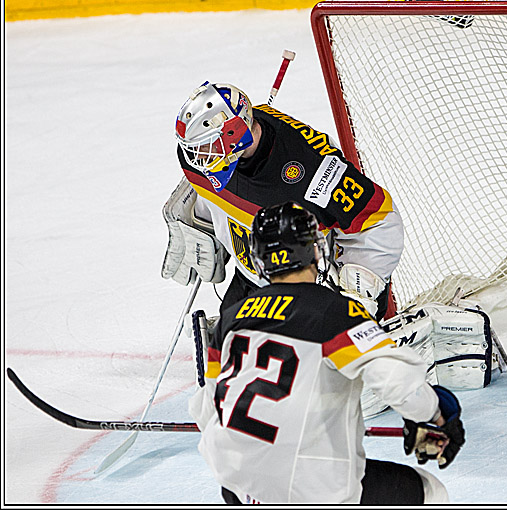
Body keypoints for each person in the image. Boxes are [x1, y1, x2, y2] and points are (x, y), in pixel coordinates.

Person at [188, 201, 465, 504]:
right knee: (431, 492)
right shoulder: (334, 312)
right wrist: (436, 413)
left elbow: (205, 408)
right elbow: (399, 384)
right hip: (312, 489)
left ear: (258, 257)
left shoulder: (230, 317)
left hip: (237, 486)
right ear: (314, 250)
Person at [161, 81, 401, 320]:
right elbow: (217, 182)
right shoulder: (203, 159)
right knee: (233, 347)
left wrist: (357, 289)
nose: (197, 159)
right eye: (194, 149)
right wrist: (200, 217)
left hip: (310, 292)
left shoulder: (315, 172)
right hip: (253, 279)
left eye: (205, 147)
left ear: (234, 134)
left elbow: (378, 220)